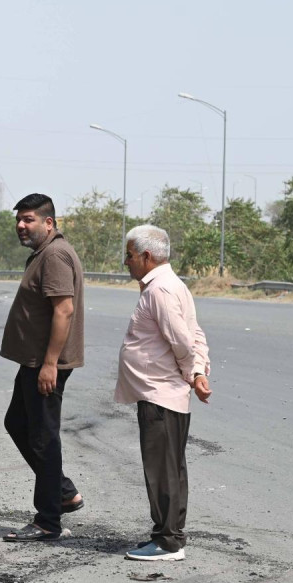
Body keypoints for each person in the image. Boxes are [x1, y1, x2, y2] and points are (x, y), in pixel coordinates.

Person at [115, 224, 212, 561]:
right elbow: (195, 333)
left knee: (162, 469)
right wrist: (198, 372)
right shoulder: (171, 285)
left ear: (146, 255)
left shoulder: (160, 291)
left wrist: (191, 372)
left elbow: (184, 341)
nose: (125, 262)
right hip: (163, 392)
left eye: (129, 256)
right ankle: (168, 536)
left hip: (161, 394)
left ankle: (168, 541)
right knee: (170, 468)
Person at [0, 193, 86, 542]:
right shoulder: (44, 253)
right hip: (34, 361)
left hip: (45, 364)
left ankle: (48, 519)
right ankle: (63, 492)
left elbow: (63, 310)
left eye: (29, 219)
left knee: (43, 438)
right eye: (19, 219)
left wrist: (50, 364)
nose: (21, 225)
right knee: (17, 423)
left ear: (49, 223)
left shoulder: (54, 255)